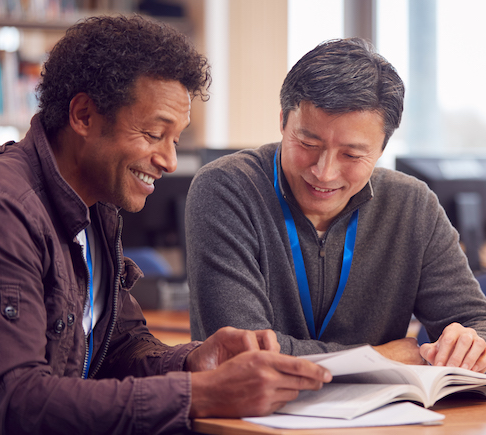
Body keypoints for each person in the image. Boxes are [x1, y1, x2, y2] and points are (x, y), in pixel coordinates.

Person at [0, 15, 332, 435]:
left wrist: (195, 361)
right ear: (83, 115)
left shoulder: (96, 209)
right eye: (155, 133)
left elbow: (120, 348)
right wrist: (202, 394)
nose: (170, 161)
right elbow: (17, 403)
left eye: (175, 139)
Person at [186, 37, 486, 372]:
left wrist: (471, 343)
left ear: (382, 148)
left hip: (381, 421)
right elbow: (242, 352)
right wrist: (383, 358)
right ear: (283, 121)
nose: (324, 172)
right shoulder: (227, 188)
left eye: (352, 154)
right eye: (308, 142)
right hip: (257, 418)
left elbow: (476, 322)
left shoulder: (412, 205)